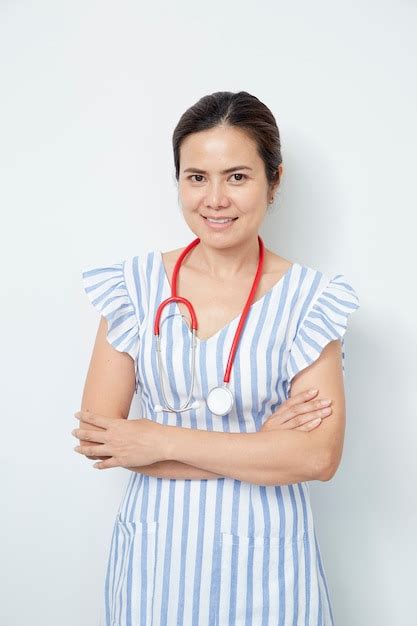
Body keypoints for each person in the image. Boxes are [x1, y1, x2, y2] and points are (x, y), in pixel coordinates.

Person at [74, 91, 360, 625]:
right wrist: (261, 448)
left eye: (237, 176)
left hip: (270, 565)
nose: (215, 199)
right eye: (196, 177)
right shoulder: (134, 287)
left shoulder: (311, 300)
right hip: (153, 564)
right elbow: (103, 440)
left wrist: (156, 439)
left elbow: (317, 458)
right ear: (178, 181)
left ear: (274, 180)